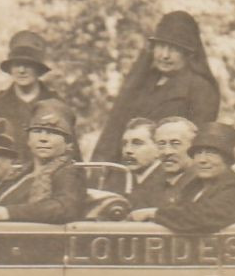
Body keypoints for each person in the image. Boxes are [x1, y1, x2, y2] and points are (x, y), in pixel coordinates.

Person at [93, 11, 221, 163]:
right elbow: (115, 128)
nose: (164, 55)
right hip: (126, 168)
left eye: (174, 49)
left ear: (189, 54)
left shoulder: (200, 88)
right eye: (160, 46)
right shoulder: (142, 82)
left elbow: (196, 145)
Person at [0, 100, 84, 223]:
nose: (43, 139)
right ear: (28, 140)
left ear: (67, 142)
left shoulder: (68, 171)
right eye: (37, 131)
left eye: (53, 133)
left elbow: (64, 208)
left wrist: (8, 212)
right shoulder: (20, 174)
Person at [145, 122, 235, 233]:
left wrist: (155, 213)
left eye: (211, 153)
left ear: (227, 159)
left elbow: (203, 216)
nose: (202, 160)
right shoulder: (195, 186)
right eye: (198, 153)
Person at [0, 31, 63, 160]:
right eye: (16, 64)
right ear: (10, 68)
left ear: (38, 68)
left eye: (28, 64)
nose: (21, 70)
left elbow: (71, 155)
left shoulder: (56, 106)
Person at [129, 117, 198, 215]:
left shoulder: (204, 184)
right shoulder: (151, 184)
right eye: (161, 144)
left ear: (193, 147)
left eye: (175, 144)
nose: (167, 152)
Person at [118, 116, 163, 198]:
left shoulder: (167, 183)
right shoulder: (123, 181)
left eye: (137, 143)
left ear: (158, 148)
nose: (128, 150)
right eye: (124, 144)